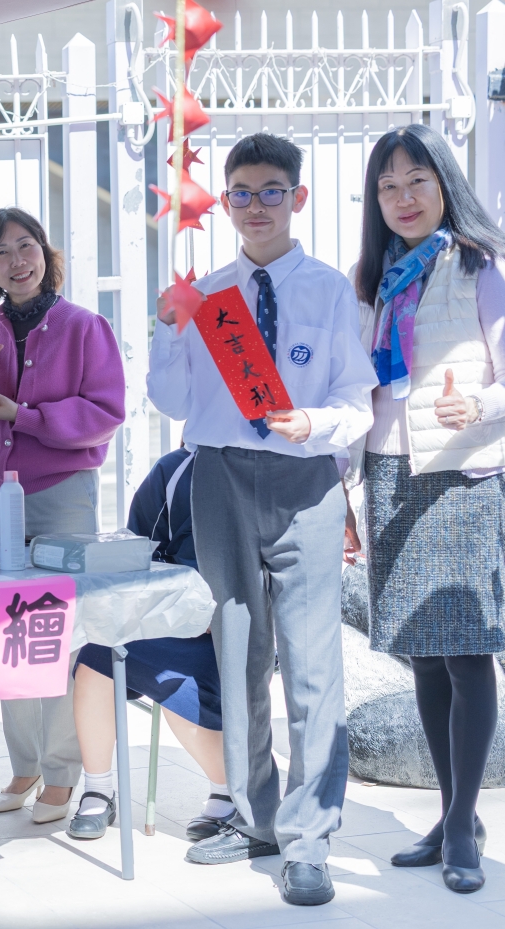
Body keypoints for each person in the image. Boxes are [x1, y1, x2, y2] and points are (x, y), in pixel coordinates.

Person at [147, 132, 376, 907]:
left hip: (304, 480)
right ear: (224, 202)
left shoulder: (329, 291)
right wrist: (168, 326)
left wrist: (316, 424)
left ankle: (309, 840)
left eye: (270, 190)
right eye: (240, 192)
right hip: (218, 477)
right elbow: (173, 401)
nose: (255, 206)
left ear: (297, 198)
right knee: (239, 649)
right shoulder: (206, 295)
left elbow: (356, 401)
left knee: (311, 665)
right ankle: (256, 817)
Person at [346, 123, 505, 895]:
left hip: (463, 476)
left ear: (445, 183)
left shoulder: (481, 266)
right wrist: (347, 485)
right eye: (388, 185)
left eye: (417, 180)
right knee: (425, 650)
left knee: (467, 652)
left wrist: (478, 403)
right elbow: (365, 393)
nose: (403, 197)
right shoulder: (377, 278)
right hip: (390, 473)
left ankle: (466, 823)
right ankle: (450, 815)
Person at [0, 207, 124, 825]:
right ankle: (24, 763)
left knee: (58, 629)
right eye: (0, 253)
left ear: (45, 252)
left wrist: (25, 415)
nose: (17, 261)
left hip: (62, 489)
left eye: (26, 246)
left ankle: (63, 772)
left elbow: (105, 412)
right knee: (6, 630)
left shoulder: (85, 326)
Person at [65, 446, 230, 843]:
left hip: (235, 625)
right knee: (96, 655)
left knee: (176, 682)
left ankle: (229, 793)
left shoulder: (267, 463)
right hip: (172, 614)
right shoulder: (174, 468)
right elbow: (139, 550)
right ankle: (98, 790)